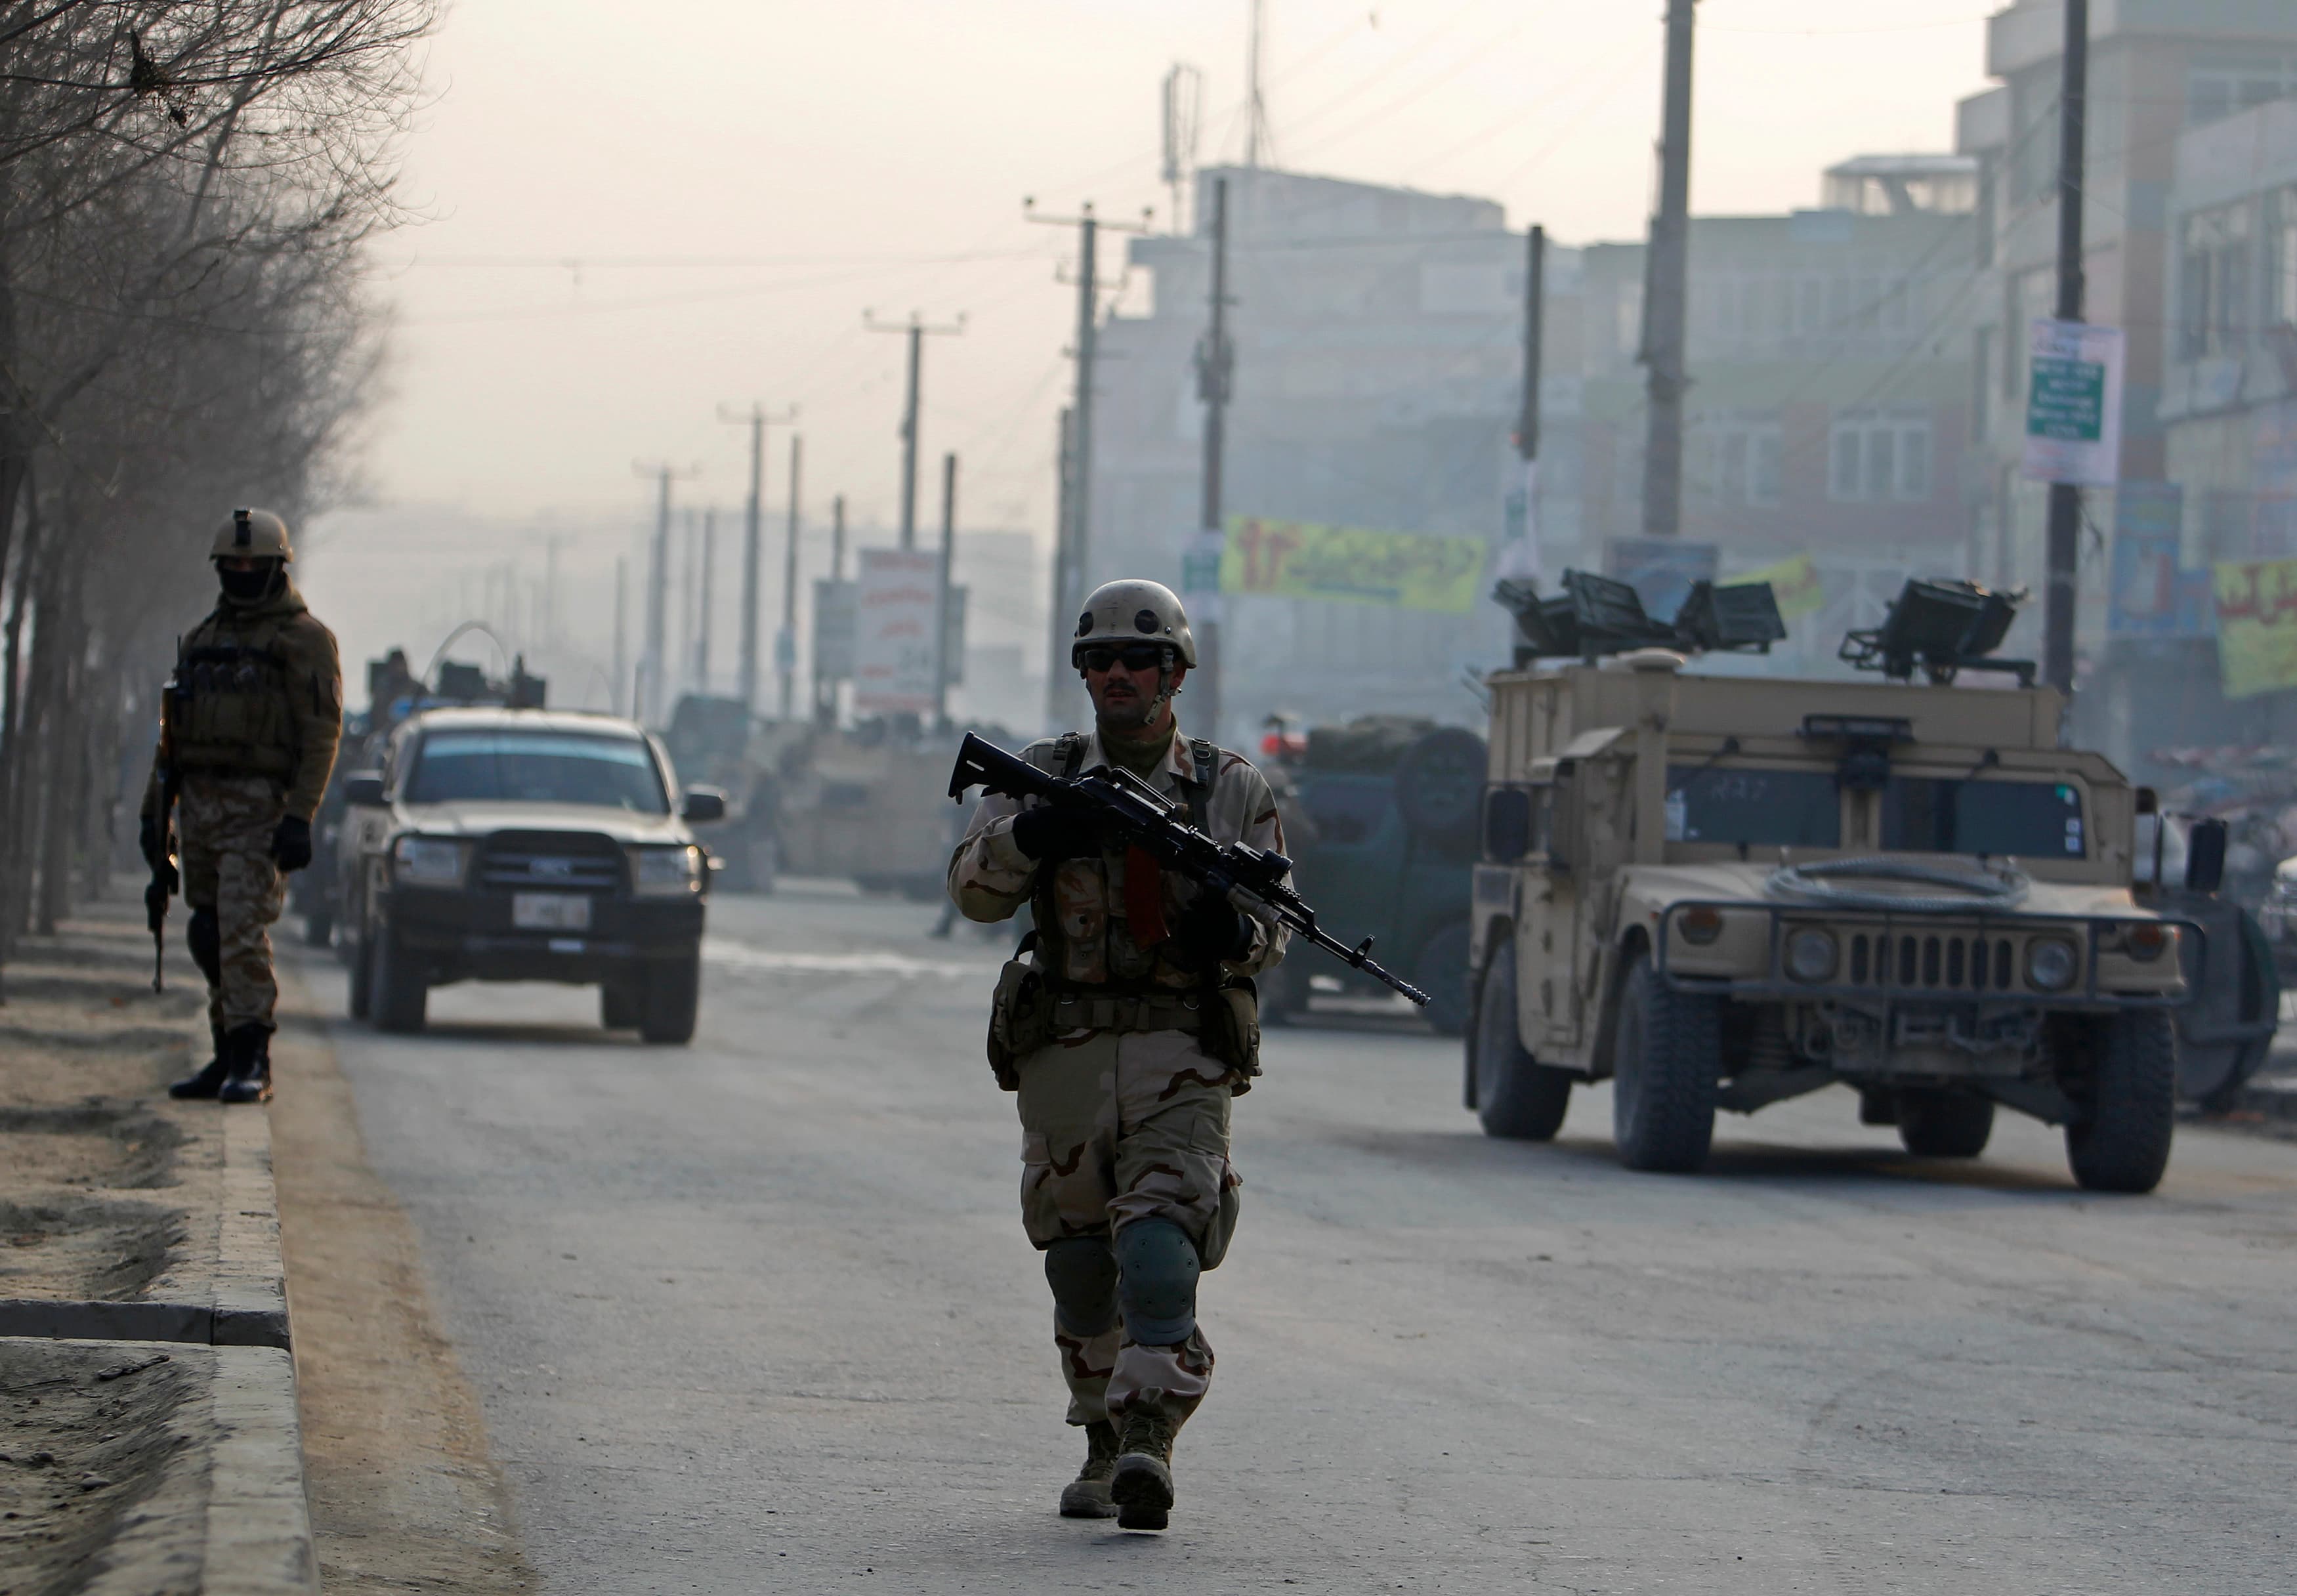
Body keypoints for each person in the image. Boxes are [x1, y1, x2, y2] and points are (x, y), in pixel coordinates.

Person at [946, 579, 1288, 1532]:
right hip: (1066, 1045)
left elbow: (1276, 927)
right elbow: (974, 893)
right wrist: (1033, 833)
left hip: (1182, 1047)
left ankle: (1149, 1436)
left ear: (1175, 672)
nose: (1118, 675)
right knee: (1079, 1265)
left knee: (1159, 1247)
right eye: (1099, 661)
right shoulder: (1041, 773)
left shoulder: (1229, 790)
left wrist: (1235, 929)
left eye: (1140, 660)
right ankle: (1098, 1431)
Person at [142, 508, 343, 1105]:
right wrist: (157, 814)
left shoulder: (304, 641)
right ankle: (226, 1049)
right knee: (207, 930)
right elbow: (172, 737)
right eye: (234, 564)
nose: (244, 571)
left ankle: (254, 1057)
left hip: (259, 809)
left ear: (278, 567)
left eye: (256, 564)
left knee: (240, 929)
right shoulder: (204, 640)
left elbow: (321, 737)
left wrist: (299, 817)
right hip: (200, 807)